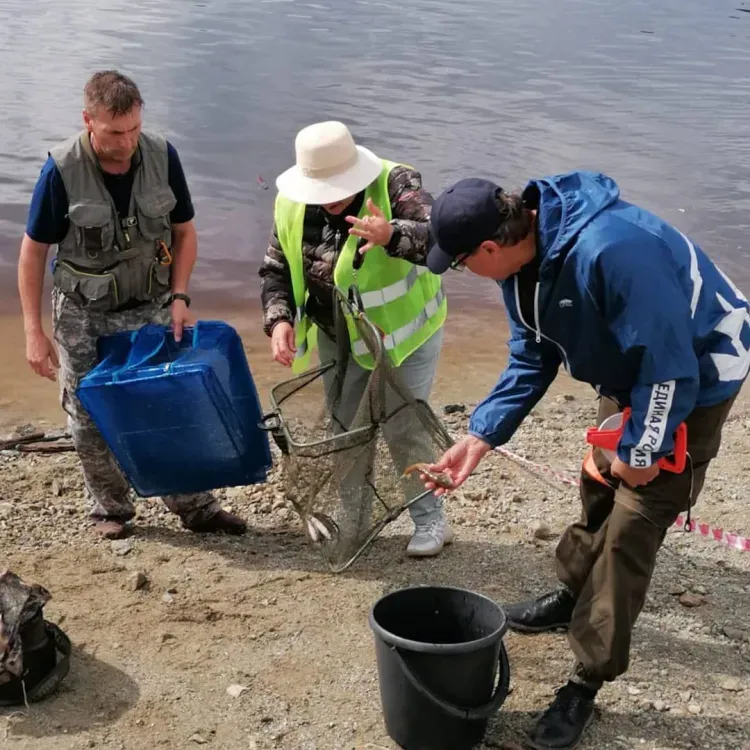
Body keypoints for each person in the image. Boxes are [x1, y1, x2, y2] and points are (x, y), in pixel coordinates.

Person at [420, 171, 750, 749]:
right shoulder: (522, 267)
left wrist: (645, 450)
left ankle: (586, 679)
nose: (461, 273)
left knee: (632, 526)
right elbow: (532, 354)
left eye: (461, 263)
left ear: (490, 248)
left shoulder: (614, 250)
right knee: (597, 485)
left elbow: (669, 367)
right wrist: (480, 436)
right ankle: (571, 594)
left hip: (697, 370)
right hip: (632, 367)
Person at [18, 70, 247, 540]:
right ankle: (111, 509)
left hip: (152, 304)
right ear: (89, 120)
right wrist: (32, 331)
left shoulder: (163, 156)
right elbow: (33, 251)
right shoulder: (61, 169)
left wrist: (181, 295)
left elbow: (184, 232)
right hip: (84, 311)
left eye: (134, 130)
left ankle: (196, 507)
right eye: (114, 132)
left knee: (169, 402)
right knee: (87, 412)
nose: (126, 143)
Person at [259, 120, 452, 556]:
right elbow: (275, 270)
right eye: (321, 192)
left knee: (406, 427)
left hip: (406, 334)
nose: (329, 200)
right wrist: (280, 321)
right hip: (339, 335)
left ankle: (431, 521)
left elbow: (441, 237)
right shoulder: (291, 204)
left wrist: (391, 235)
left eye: (338, 190)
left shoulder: (397, 183)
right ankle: (355, 521)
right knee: (345, 429)